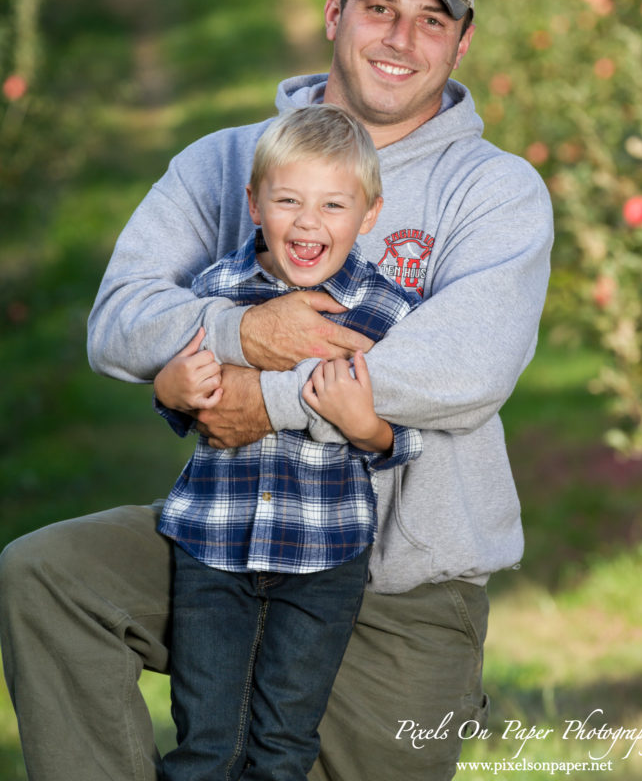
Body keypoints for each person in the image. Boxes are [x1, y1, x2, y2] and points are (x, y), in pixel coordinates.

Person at [0, 0, 554, 781]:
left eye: (430, 20)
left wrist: (272, 397)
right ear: (334, 13)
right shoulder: (226, 164)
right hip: (227, 543)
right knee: (48, 579)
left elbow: (465, 368)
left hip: (397, 590)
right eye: (378, 9)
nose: (400, 38)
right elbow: (118, 321)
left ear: (461, 40)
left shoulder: (493, 189)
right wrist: (237, 332)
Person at [153, 104, 422, 780]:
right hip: (211, 544)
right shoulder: (215, 295)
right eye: (288, 200)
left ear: (368, 215)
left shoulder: (388, 313)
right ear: (254, 204)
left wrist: (368, 427)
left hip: (324, 555)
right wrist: (171, 390)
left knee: (283, 745)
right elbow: (189, 409)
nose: (308, 223)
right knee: (206, 740)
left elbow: (405, 432)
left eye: (334, 204)